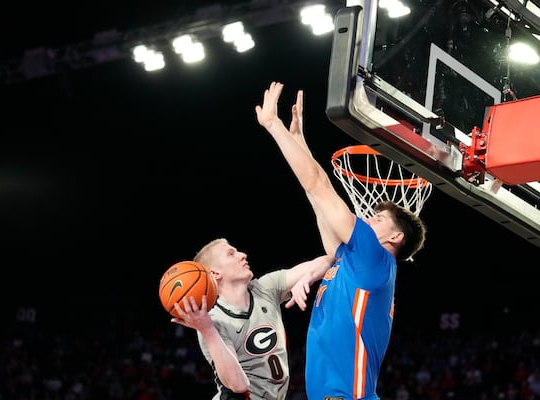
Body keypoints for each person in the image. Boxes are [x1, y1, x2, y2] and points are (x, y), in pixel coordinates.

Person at [255, 81, 427, 400]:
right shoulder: (350, 260)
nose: (365, 219)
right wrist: (299, 142)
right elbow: (315, 195)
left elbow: (320, 185)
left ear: (395, 237)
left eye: (376, 219)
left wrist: (273, 126)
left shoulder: (374, 258)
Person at [171, 237, 334, 400]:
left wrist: (308, 277)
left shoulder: (266, 287)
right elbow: (238, 385)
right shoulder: (212, 322)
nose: (242, 255)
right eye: (231, 254)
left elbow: (328, 260)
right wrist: (207, 330)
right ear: (215, 273)